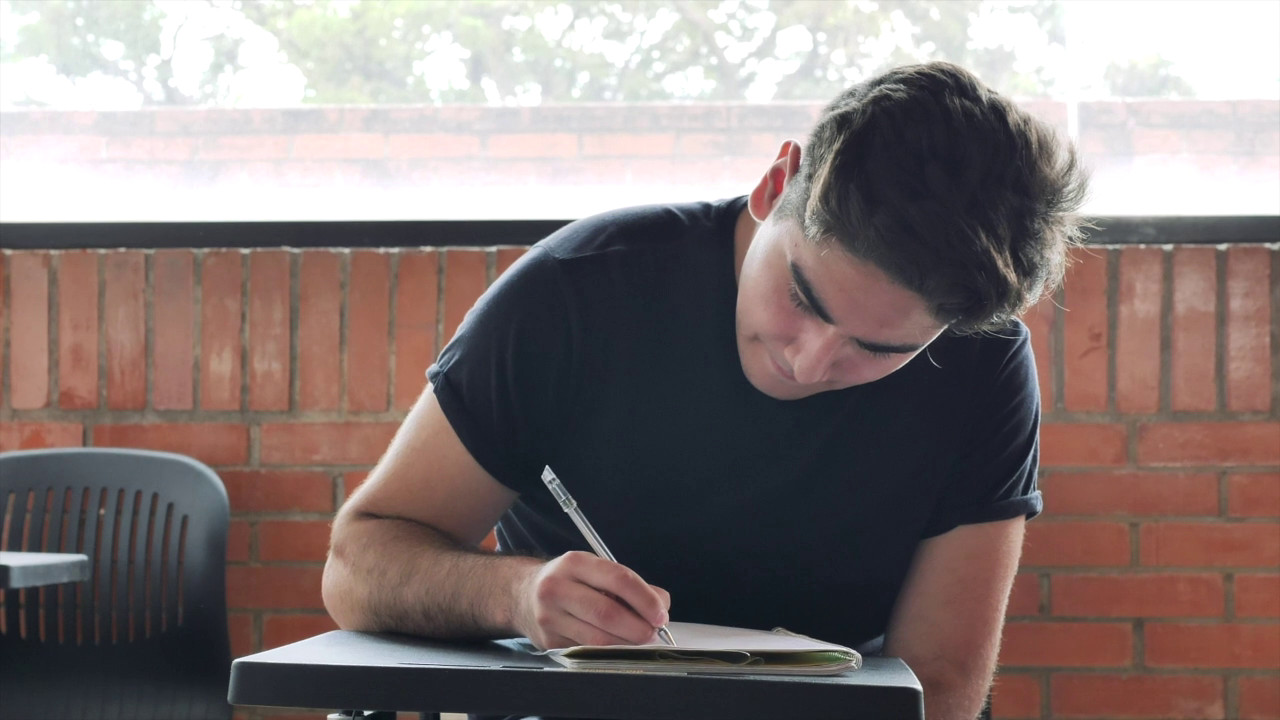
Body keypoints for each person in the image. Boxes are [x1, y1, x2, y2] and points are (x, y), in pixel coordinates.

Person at [323, 61, 1088, 720]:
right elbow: (357, 566)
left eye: (879, 349)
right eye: (804, 298)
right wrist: (515, 596)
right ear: (775, 184)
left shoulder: (981, 365)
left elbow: (942, 683)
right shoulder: (577, 293)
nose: (810, 363)